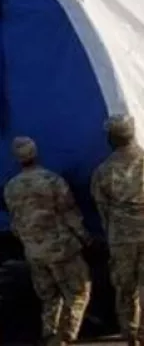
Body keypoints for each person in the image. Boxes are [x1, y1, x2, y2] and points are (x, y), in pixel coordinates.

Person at [91, 114, 144, 346]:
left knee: (125, 290)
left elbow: (102, 209)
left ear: (111, 137)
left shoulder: (103, 171)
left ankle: (130, 338)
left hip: (122, 238)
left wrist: (116, 230)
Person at [3, 137, 92, 346]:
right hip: (61, 248)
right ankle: (66, 336)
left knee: (49, 296)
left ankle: (50, 333)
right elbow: (69, 213)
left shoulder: (11, 187)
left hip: (34, 251)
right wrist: (85, 238)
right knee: (78, 292)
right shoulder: (52, 180)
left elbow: (15, 222)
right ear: (35, 153)